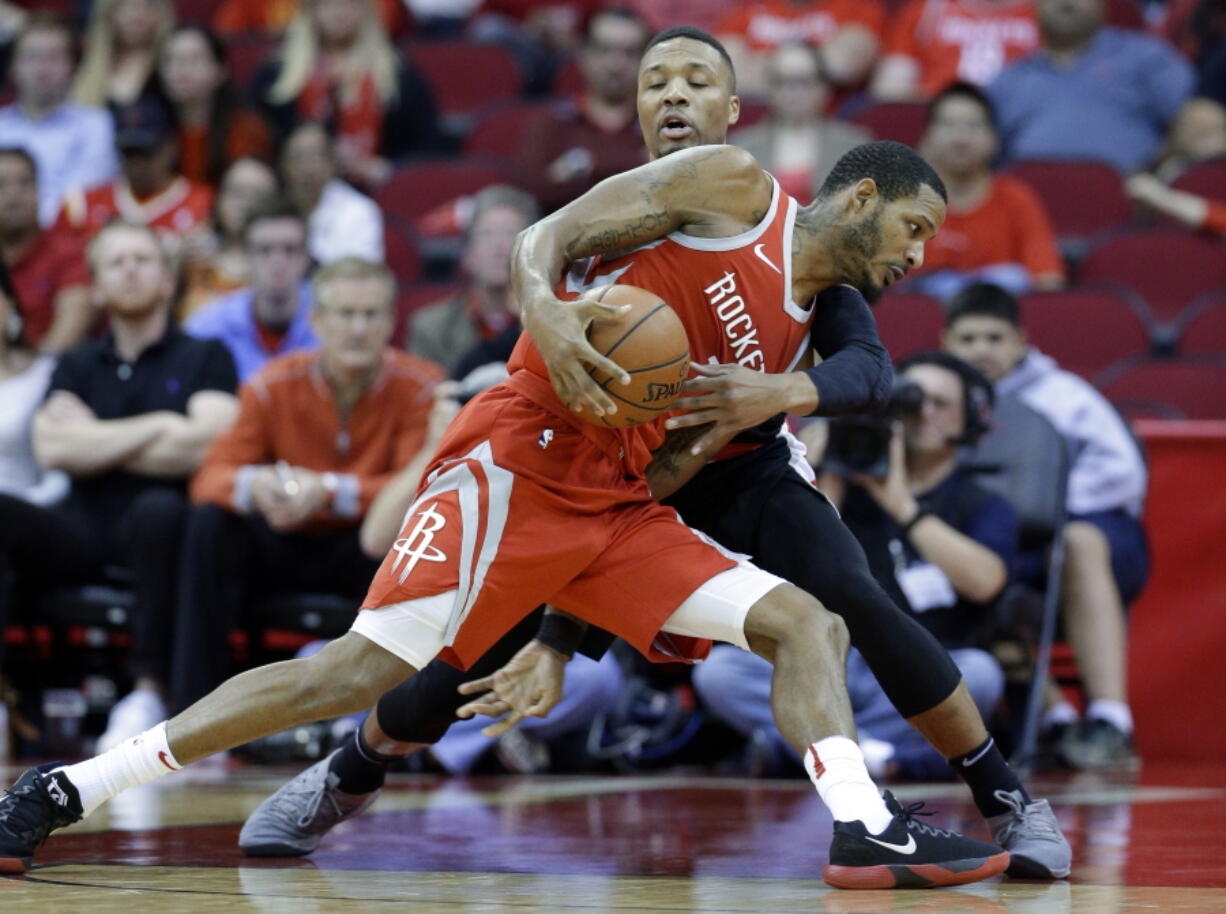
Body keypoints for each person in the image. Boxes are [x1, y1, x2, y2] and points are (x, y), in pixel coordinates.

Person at [0, 42, 1015, 893]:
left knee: (808, 621)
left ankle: (861, 823)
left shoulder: (816, 315)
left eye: (695, 82)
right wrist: (550, 319)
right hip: (519, 455)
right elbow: (541, 236)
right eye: (914, 228)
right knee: (359, 673)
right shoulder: (734, 185)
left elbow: (858, 376)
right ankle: (69, 787)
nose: (919, 253)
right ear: (864, 195)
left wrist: (564, 639)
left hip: (615, 494)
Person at [695, 352, 1017, 780]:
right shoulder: (840, 484)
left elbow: (986, 583)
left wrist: (901, 505)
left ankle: (820, 754)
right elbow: (796, 574)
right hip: (828, 660)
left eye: (939, 403)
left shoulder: (981, 501)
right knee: (720, 672)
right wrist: (818, 479)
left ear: (969, 420)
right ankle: (880, 759)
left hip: (918, 667)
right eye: (909, 400)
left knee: (980, 673)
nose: (921, 413)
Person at [0, 221, 238, 752]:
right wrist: (161, 426)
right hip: (81, 528)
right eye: (116, 262)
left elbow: (208, 444)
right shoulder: (76, 361)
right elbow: (54, 450)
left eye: (143, 259)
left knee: (159, 510)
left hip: (162, 531)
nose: (130, 270)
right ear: (99, 288)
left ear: (167, 281)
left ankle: (148, 692)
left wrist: (95, 437)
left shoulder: (205, 356)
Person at [173, 258, 445, 711]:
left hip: (366, 549)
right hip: (283, 541)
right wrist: (255, 485)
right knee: (208, 524)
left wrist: (329, 491)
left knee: (419, 535)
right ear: (316, 321)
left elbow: (414, 492)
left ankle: (397, 713)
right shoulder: (271, 386)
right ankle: (194, 707)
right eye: (345, 314)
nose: (358, 328)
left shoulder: (422, 388)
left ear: (391, 322)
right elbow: (208, 479)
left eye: (371, 314)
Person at [942, 283, 1148, 768]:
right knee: (968, 562)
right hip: (1008, 544)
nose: (982, 350)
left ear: (1020, 341)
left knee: (1076, 541)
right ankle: (1056, 718)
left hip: (1097, 537)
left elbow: (1122, 472)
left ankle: (1110, 721)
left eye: (995, 338)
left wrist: (1046, 508)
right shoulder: (941, 399)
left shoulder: (1064, 396)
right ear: (947, 342)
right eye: (968, 339)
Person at [987, 0, 1194, 174]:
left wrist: (1163, 170)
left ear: (1103, 5)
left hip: (1129, 208)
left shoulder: (1147, 58)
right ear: (1035, 6)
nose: (1066, 2)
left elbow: (1199, 120)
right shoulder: (1008, 79)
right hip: (1029, 208)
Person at [251, 0, 438, 189]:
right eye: (328, 4)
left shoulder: (399, 74)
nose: (338, 12)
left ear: (367, 11)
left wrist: (386, 169)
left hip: (373, 190)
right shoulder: (276, 72)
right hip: (290, 192)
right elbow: (256, 138)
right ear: (311, 10)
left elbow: (425, 146)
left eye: (349, 3)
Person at [912, 82, 1064, 299]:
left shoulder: (1016, 198)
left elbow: (1048, 280)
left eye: (973, 126)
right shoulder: (902, 202)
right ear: (928, 136)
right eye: (948, 125)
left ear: (994, 138)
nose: (961, 138)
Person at [507, 8, 651, 212]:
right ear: (584, 56)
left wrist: (583, 167)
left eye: (629, 53)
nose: (616, 64)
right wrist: (637, 166)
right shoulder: (552, 122)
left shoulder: (659, 123)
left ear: (647, 61)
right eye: (604, 50)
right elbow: (527, 193)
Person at [0, 14, 119, 227]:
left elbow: (82, 197)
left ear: (72, 67)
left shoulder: (96, 125)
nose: (41, 69)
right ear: (13, 68)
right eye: (31, 57)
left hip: (68, 240)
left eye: (53, 57)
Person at [54, 95, 214, 253]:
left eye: (146, 153)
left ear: (171, 148)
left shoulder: (202, 205)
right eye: (128, 153)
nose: (137, 164)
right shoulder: (81, 205)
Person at [185, 196, 319, 382]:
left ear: (307, 258)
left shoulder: (332, 325)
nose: (278, 262)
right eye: (264, 250)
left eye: (290, 249)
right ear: (246, 257)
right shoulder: (207, 328)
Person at [408, 186, 538, 374]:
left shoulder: (552, 323)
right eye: (487, 234)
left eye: (511, 234)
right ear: (467, 253)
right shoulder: (431, 327)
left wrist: (530, 325)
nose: (499, 246)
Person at [729, 42, 872, 203]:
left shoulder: (854, 144)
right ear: (769, 87)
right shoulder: (741, 147)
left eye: (804, 81)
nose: (793, 91)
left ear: (824, 86)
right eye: (782, 81)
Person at [156, 25, 273, 189]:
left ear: (220, 70)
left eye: (193, 59)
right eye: (171, 59)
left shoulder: (247, 128)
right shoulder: (151, 126)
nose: (180, 68)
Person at [0, 147, 92, 352]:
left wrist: (28, 379)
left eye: (24, 183)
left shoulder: (68, 250)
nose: (13, 194)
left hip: (48, 373)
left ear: (39, 190)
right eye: (1, 185)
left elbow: (68, 332)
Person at [871, 0, 1040, 102]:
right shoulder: (929, 10)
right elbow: (890, 87)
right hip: (938, 116)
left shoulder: (1044, 14)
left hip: (1017, 116)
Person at [178, 157, 280, 321]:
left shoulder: (285, 263)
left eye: (258, 195)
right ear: (219, 198)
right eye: (236, 192)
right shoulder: (193, 254)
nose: (245, 203)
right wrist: (177, 262)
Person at [715, 0, 885, 97]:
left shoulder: (857, 7)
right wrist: (815, 64)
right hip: (759, 124)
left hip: (829, 123)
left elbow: (841, 66)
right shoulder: (749, 9)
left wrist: (759, 62)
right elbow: (724, 74)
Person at [280, 122, 384, 265]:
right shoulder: (275, 209)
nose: (308, 167)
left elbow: (362, 273)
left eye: (316, 156)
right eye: (299, 157)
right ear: (285, 165)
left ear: (333, 161)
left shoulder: (359, 210)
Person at [70, 0, 174, 108]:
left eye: (148, 3)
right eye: (125, 4)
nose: (137, 13)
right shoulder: (79, 63)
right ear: (108, 12)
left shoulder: (169, 64)